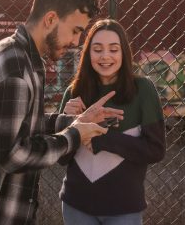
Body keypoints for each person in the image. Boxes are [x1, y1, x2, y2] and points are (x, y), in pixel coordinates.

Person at [0, 0, 124, 225]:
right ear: (51, 18)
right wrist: (75, 136)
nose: (76, 41)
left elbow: (16, 124)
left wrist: (73, 122)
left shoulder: (10, 53)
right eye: (75, 31)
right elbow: (9, 155)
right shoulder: (16, 69)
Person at [57, 19, 166, 225]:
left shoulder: (143, 89)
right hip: (76, 206)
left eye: (113, 49)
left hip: (124, 209)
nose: (105, 56)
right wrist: (68, 123)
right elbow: (61, 158)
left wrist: (104, 139)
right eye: (97, 49)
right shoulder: (73, 93)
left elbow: (155, 150)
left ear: (124, 53)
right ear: (88, 54)